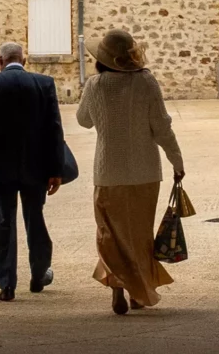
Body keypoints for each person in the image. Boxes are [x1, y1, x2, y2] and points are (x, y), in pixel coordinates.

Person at [76, 27, 184, 314]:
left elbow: (83, 120)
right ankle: (139, 293)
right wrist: (177, 161)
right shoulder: (147, 82)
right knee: (139, 234)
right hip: (145, 172)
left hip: (108, 171)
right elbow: (162, 127)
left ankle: (117, 289)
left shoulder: (95, 85)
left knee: (109, 233)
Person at [0, 39, 69, 302]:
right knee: (35, 219)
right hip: (36, 165)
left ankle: (7, 284)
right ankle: (38, 274)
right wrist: (56, 168)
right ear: (24, 61)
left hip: (0, 164)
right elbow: (54, 129)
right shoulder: (43, 83)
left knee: (4, 223)